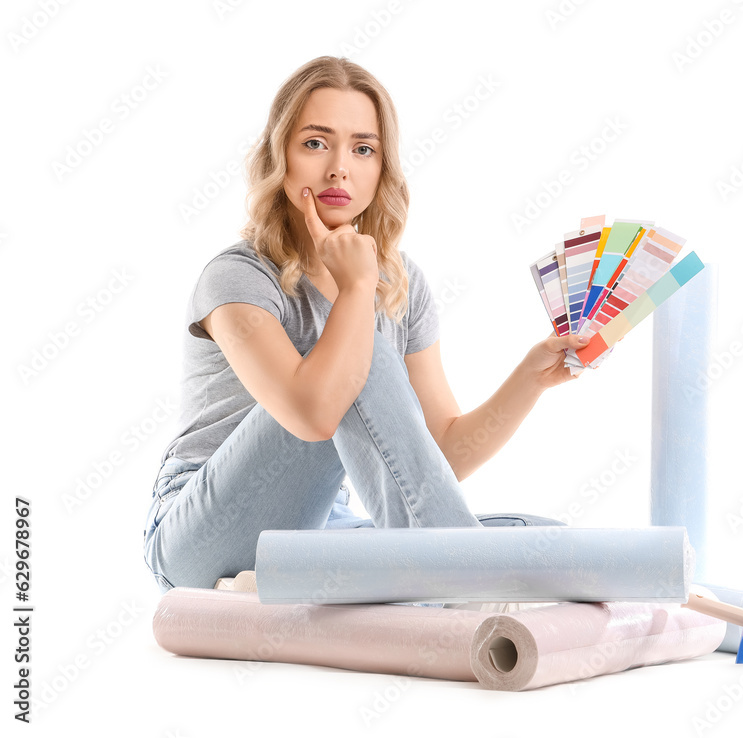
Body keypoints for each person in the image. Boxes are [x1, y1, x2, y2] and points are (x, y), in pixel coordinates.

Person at [142, 56, 590, 594]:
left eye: (363, 149)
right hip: (200, 533)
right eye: (314, 143)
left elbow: (432, 460)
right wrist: (355, 290)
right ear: (279, 156)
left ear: (382, 169)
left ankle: (287, 585)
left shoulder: (400, 284)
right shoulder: (236, 277)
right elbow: (313, 414)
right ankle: (456, 583)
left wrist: (529, 379)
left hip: (319, 530)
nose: (339, 168)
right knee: (364, 356)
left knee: (543, 538)